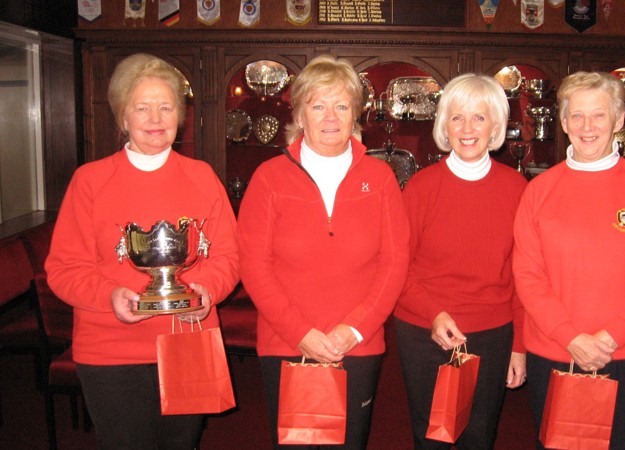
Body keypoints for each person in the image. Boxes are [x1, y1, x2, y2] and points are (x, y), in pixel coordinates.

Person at [45, 53, 241, 449]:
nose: (155, 118)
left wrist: (207, 291)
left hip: (188, 340)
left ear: (180, 115)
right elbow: (64, 268)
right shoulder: (91, 181)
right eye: (142, 107)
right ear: (123, 117)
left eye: (166, 107)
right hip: (111, 349)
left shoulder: (202, 177)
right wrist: (108, 297)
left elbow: (229, 257)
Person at [236, 54, 410, 449]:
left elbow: (395, 262)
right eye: (318, 105)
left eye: (342, 105)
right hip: (286, 344)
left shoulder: (381, 178)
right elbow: (254, 264)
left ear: (356, 114)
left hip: (359, 345)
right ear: (299, 114)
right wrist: (301, 334)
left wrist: (355, 329)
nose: (330, 116)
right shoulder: (269, 178)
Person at [512, 71, 625, 449]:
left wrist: (612, 336)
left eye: (599, 115)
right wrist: (569, 337)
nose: (587, 126)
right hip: (555, 351)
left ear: (619, 120)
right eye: (577, 115)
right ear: (563, 121)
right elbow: (527, 274)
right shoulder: (539, 191)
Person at [393, 73, 528, 450]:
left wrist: (520, 344)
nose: (467, 128)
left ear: (497, 127)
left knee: (480, 437)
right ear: (443, 126)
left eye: (479, 118)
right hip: (423, 331)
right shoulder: (419, 189)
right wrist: (433, 313)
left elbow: (524, 275)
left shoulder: (518, 190)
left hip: (492, 333)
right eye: (456, 118)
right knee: (431, 437)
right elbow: (397, 268)